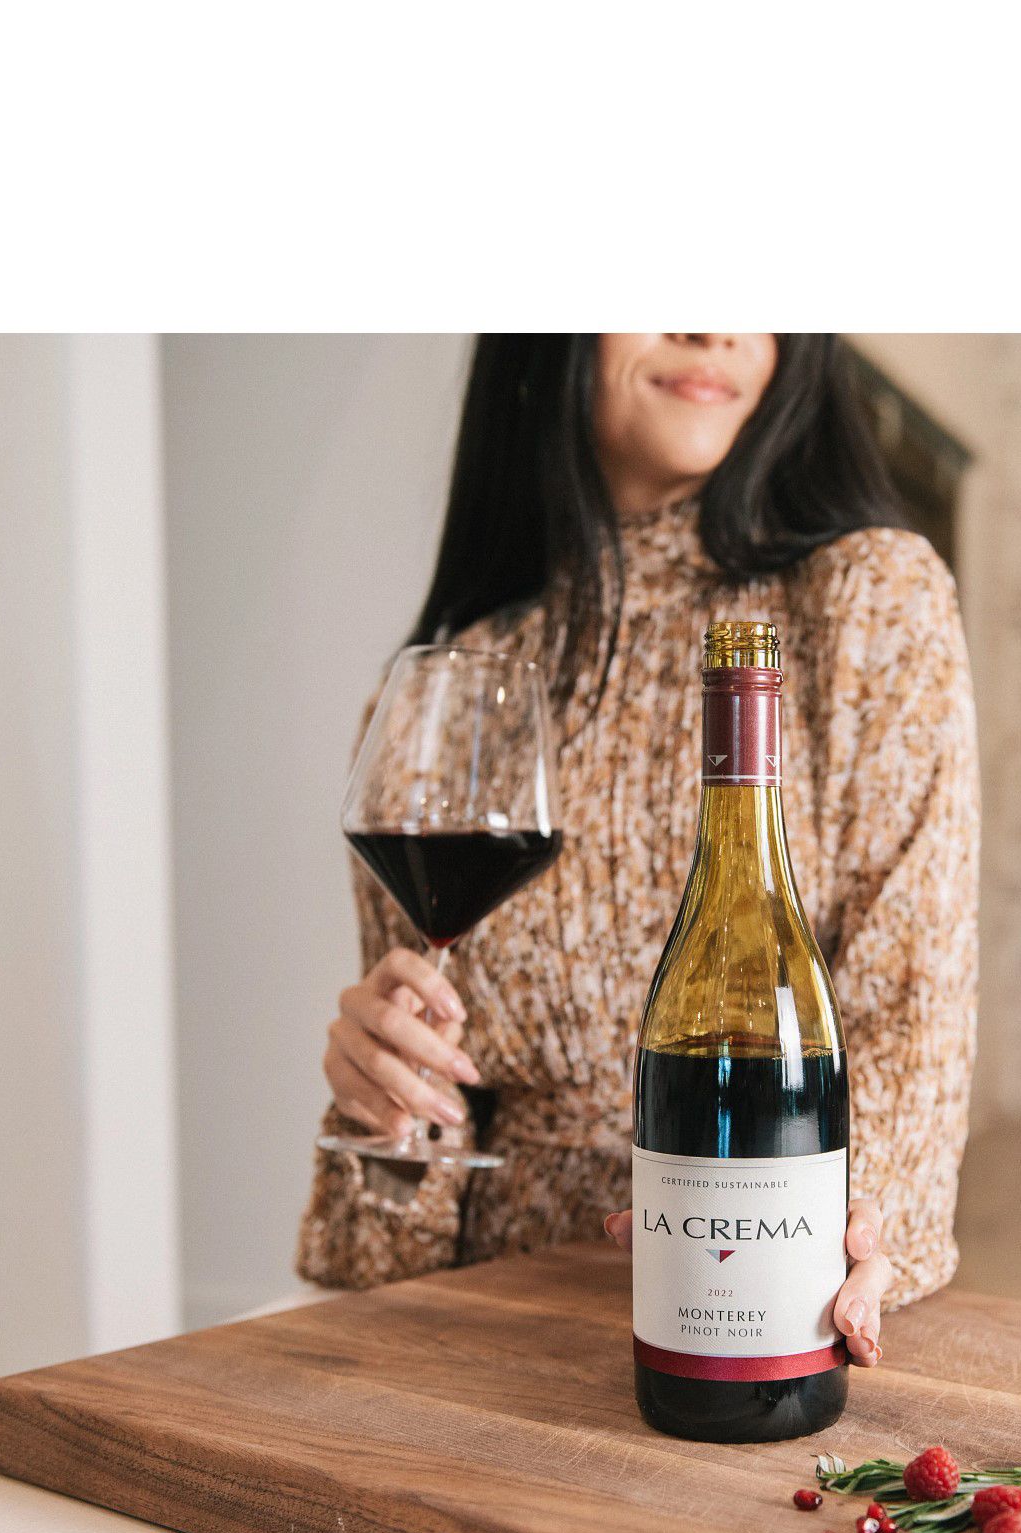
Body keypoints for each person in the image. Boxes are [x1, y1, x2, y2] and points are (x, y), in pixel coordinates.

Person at [298, 334, 978, 1364]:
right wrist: (382, 1115)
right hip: (486, 1332)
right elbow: (405, 1203)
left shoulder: (869, 600)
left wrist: (824, 1254)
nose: (713, 325)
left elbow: (910, 1025)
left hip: (765, 1317)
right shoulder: (452, 688)